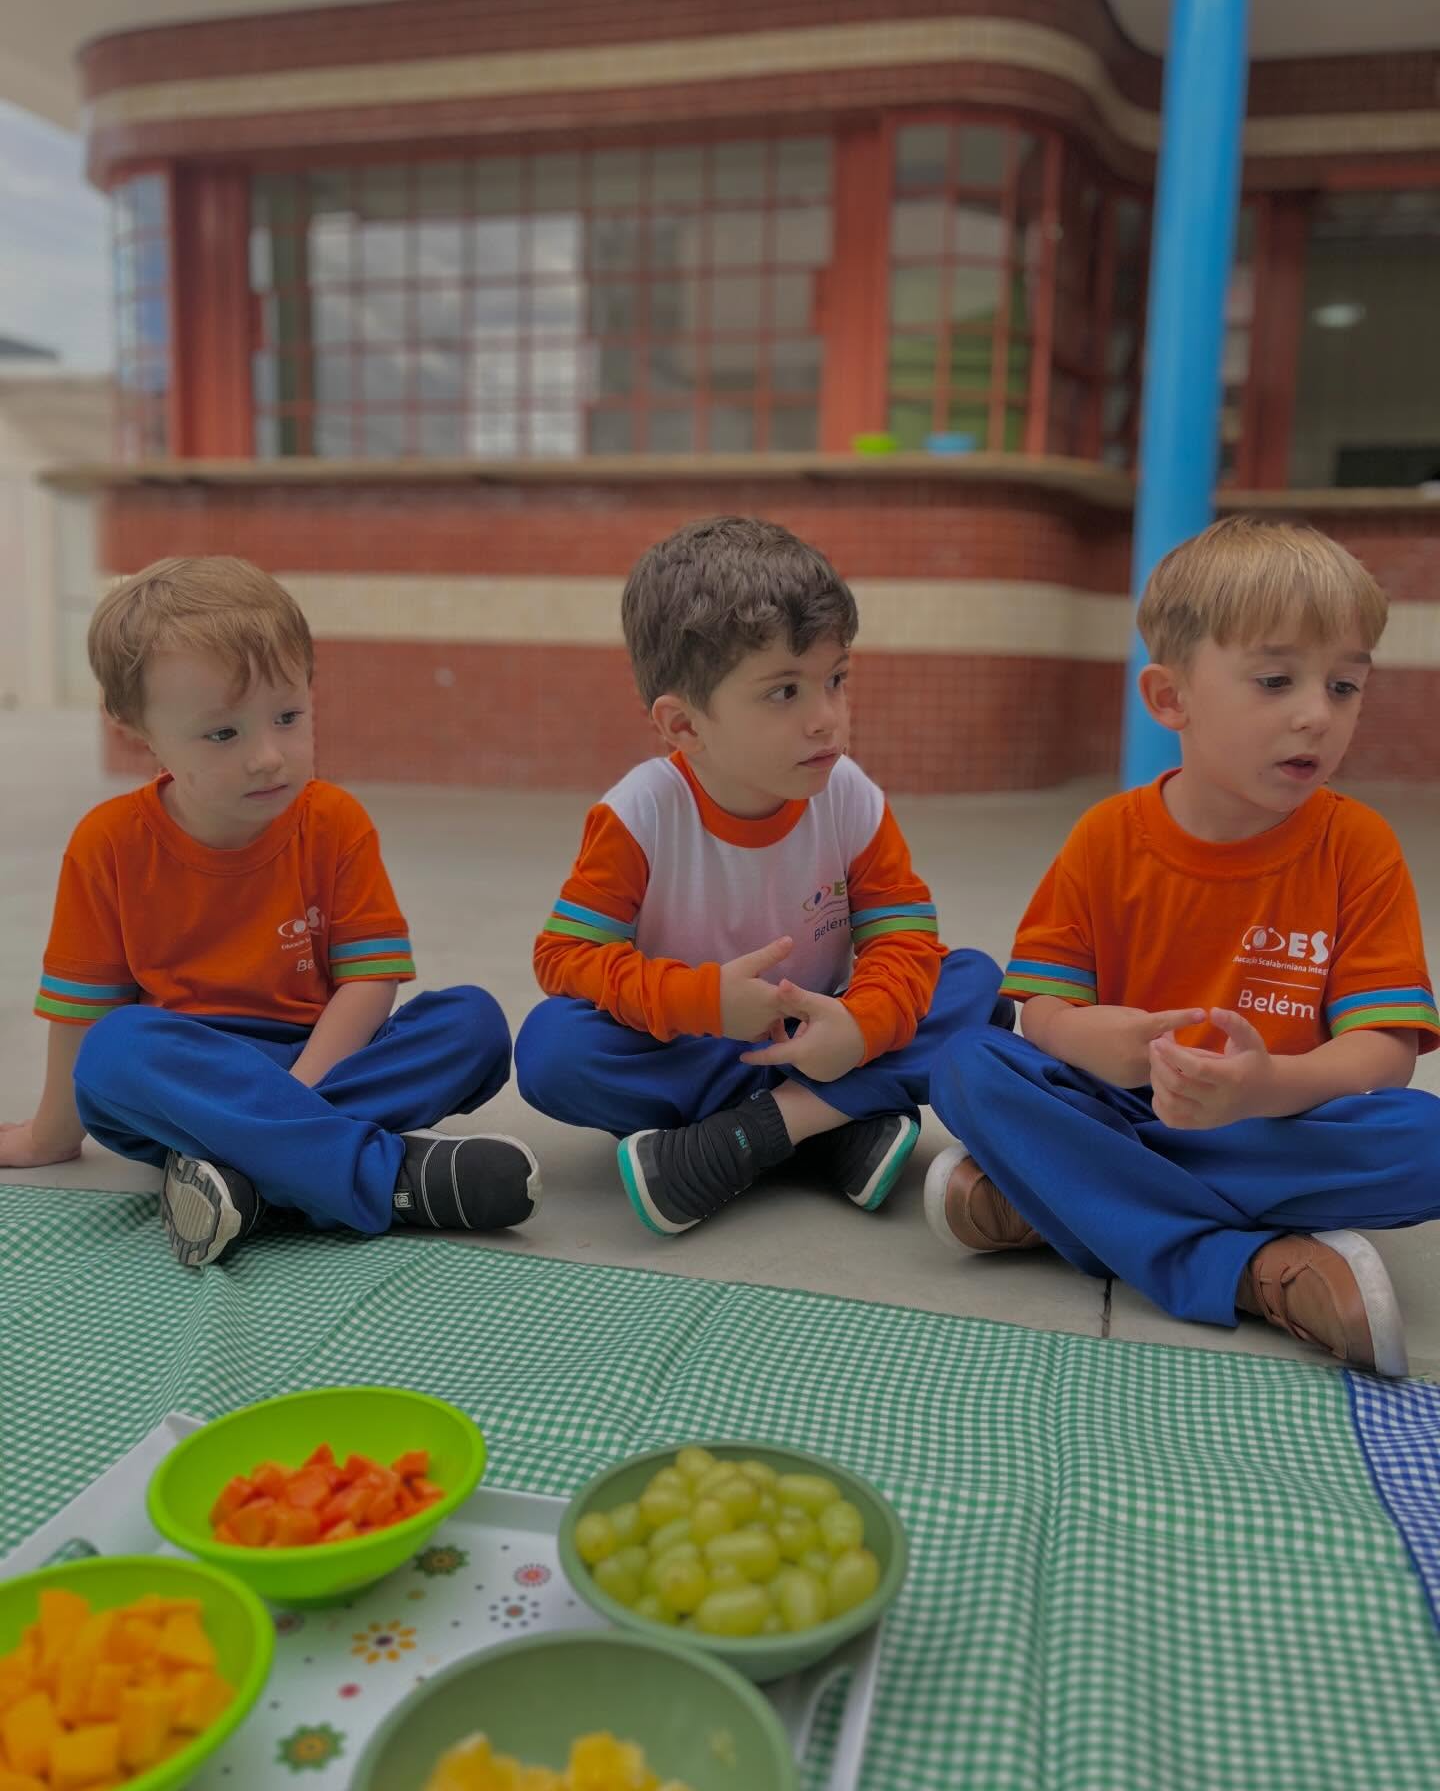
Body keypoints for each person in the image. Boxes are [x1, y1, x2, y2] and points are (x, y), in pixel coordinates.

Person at [926, 515, 1439, 1375]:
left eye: (1345, 687)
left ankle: (1057, 1200)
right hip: (1119, 1109)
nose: (1317, 714)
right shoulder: (1107, 836)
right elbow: (1043, 1012)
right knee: (967, 1061)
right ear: (1171, 699)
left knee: (1423, 1140)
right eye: (1276, 680)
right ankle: (1246, 1268)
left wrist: (1269, 1083)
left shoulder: (1359, 847)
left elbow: (1384, 1051)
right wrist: (1114, 1045)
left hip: (1276, 1126)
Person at [0, 556, 540, 1265]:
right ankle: (390, 1179)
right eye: (223, 734)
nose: (268, 756)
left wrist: (290, 1100)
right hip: (188, 1076)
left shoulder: (334, 820)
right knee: (114, 1052)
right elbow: (83, 1013)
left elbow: (369, 982)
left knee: (471, 1024)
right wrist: (51, 1136)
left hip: (320, 1056)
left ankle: (242, 1178)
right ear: (136, 727)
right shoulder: (108, 844)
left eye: (288, 717)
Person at [514, 515, 1009, 1234]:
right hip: (689, 1039)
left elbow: (904, 939)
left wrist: (862, 1026)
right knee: (553, 1049)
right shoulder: (641, 813)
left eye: (836, 679)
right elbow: (562, 957)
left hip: (827, 1025)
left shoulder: (850, 796)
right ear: (684, 726)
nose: (828, 719)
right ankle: (836, 1120)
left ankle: (754, 1135)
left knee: (978, 986)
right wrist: (702, 1000)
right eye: (786, 692)